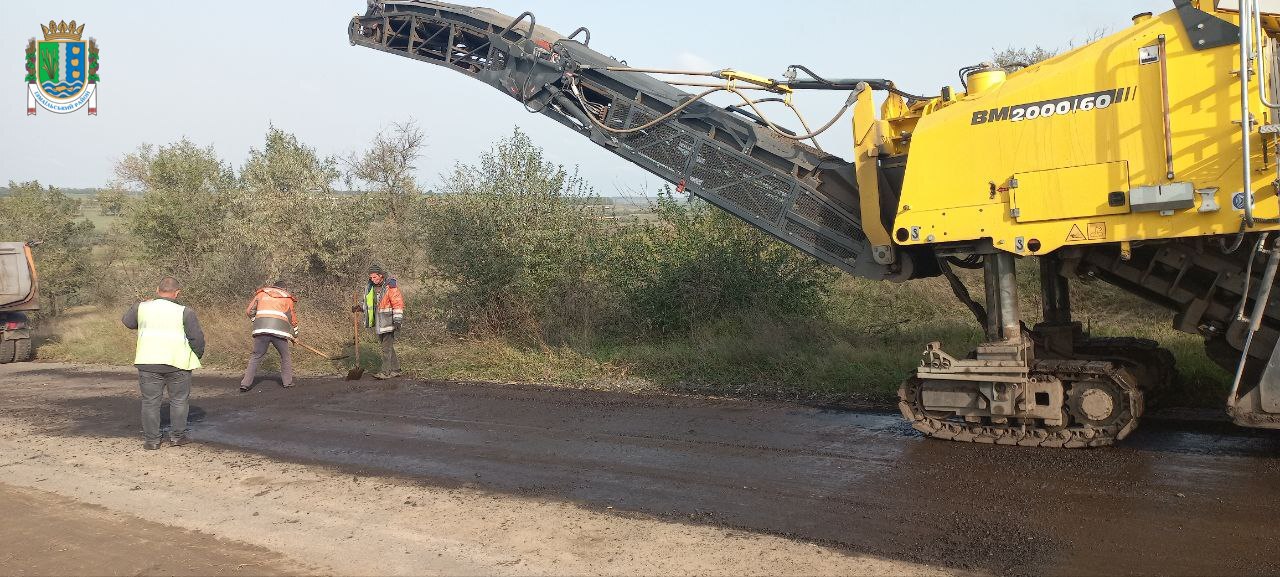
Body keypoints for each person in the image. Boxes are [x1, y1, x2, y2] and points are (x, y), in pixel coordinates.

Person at [121, 276, 205, 450]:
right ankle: (177, 437)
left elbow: (128, 322)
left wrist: (141, 304)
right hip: (178, 362)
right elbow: (197, 339)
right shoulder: (185, 311)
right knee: (179, 401)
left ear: (157, 290)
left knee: (150, 402)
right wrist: (196, 355)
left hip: (148, 362)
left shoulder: (141, 308)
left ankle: (152, 441)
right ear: (177, 293)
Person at [240, 280, 299, 391]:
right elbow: (292, 318)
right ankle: (287, 382)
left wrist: (255, 320)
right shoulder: (286, 298)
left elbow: (249, 311)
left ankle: (245, 384)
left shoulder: (261, 294)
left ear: (273, 286)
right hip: (279, 332)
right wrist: (295, 335)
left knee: (256, 356)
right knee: (285, 356)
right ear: (284, 289)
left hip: (261, 330)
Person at [353, 263, 404, 379]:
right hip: (380, 323)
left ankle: (385, 372)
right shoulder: (370, 287)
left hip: (389, 322)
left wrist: (397, 320)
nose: (373, 279)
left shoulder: (390, 287)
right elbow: (369, 303)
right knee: (388, 347)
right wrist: (360, 308)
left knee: (386, 348)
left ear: (381, 275)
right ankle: (396, 369)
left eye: (375, 277)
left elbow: (398, 304)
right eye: (371, 277)